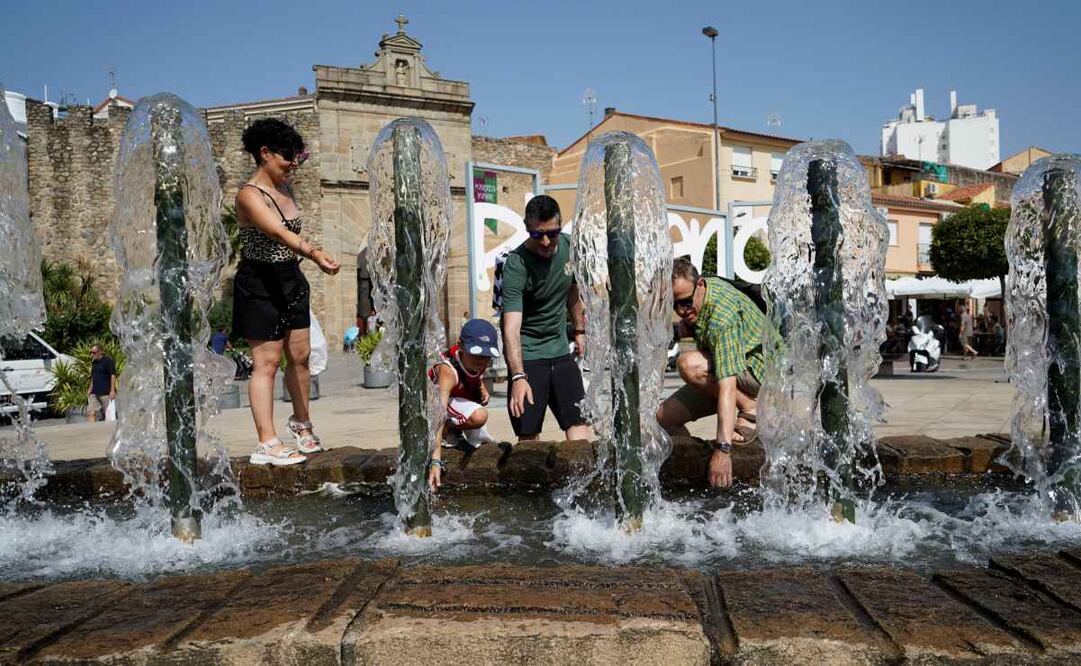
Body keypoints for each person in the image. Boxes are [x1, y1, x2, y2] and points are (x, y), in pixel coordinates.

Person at [232, 118, 340, 466]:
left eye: (299, 156)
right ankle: (267, 441)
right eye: (289, 156)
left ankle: (302, 422)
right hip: (259, 282)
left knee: (301, 357)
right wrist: (315, 253)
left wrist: (304, 259)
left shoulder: (286, 188)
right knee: (265, 363)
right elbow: (277, 232)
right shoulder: (249, 195)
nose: (295, 163)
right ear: (265, 153)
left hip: (290, 278)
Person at [656, 258, 765, 488]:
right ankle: (694, 470)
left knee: (688, 364)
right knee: (663, 419)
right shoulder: (694, 307)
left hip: (759, 372)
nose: (681, 311)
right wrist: (688, 333)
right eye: (673, 305)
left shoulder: (722, 315)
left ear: (701, 285)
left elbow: (727, 384)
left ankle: (750, 408)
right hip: (727, 369)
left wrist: (723, 450)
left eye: (685, 302)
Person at [501, 195, 590, 443]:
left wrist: (579, 331)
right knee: (528, 437)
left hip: (561, 352)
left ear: (561, 224)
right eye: (537, 235)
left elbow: (572, 291)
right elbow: (511, 328)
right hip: (529, 357)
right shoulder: (516, 265)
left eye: (553, 232)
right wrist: (518, 377)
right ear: (526, 227)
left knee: (579, 429)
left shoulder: (572, 248)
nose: (546, 241)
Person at [427, 319, 501, 492]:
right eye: (476, 355)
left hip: (456, 400)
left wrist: (481, 387)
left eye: (486, 356)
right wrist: (435, 461)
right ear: (461, 346)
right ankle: (449, 430)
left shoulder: (477, 361)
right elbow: (438, 412)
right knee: (479, 416)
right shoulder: (448, 372)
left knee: (482, 440)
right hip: (434, 404)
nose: (482, 361)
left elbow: (475, 373)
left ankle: (456, 429)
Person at [86, 345, 117, 422]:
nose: (92, 354)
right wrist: (90, 389)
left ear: (100, 352)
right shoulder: (94, 363)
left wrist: (112, 390)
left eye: (93, 352)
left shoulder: (108, 361)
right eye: (90, 353)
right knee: (90, 412)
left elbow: (113, 375)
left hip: (105, 393)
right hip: (95, 393)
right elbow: (93, 377)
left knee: (108, 415)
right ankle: (91, 431)